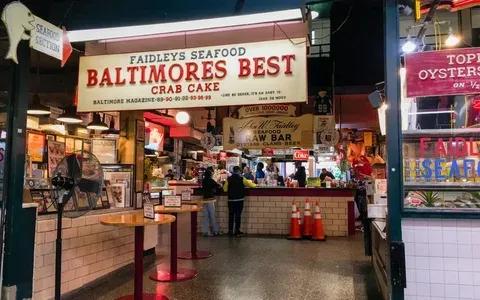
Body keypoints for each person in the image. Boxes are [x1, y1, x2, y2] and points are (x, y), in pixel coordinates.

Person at [223, 166, 256, 237]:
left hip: (231, 200)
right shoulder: (242, 178)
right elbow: (251, 185)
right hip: (239, 200)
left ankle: (230, 231)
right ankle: (237, 231)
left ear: (233, 171)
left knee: (231, 215)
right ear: (238, 171)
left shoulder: (228, 179)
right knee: (238, 216)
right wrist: (256, 184)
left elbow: (225, 189)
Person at [201, 167, 221, 236]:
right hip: (210, 199)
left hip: (204, 199)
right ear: (210, 175)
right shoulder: (211, 180)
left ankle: (206, 231)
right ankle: (215, 231)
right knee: (212, 215)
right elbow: (218, 186)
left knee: (206, 216)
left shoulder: (203, 181)